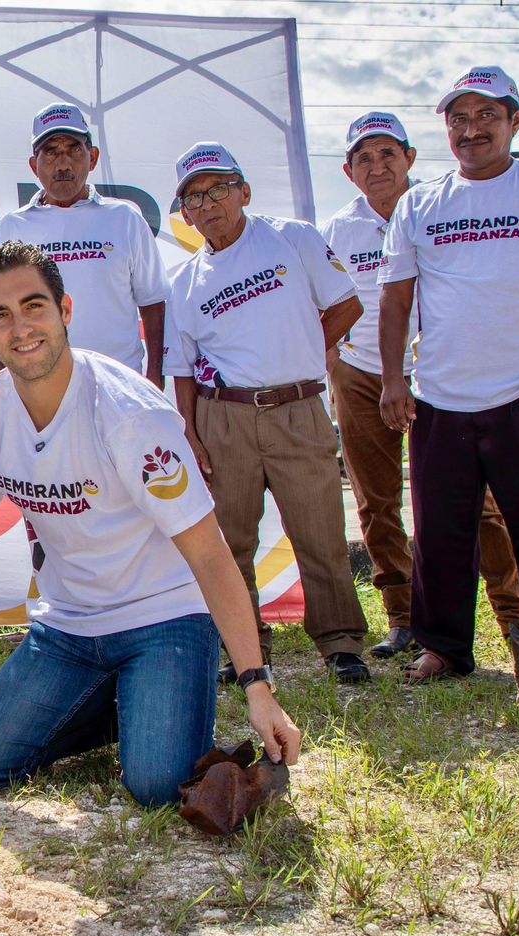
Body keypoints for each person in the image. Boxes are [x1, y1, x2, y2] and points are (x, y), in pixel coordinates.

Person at [0, 242, 302, 806]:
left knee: (158, 786)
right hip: (69, 627)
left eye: (34, 306)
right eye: (0, 316)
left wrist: (257, 688)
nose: (21, 328)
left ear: (65, 310)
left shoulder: (130, 414)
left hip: (164, 617)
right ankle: (130, 704)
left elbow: (211, 557)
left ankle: (152, 700)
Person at [320, 111, 519, 661]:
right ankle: (405, 620)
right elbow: (323, 301)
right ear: (348, 171)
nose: (376, 165)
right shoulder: (337, 228)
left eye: (388, 153)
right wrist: (338, 361)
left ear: (411, 158)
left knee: (480, 508)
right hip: (363, 375)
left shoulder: (441, 205)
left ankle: (512, 615)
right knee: (377, 502)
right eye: (363, 157)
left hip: (438, 375)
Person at [165, 142, 372, 685]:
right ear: (183, 214)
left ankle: (341, 643)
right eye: (194, 197)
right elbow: (182, 370)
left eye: (219, 190)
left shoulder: (292, 237)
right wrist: (192, 435)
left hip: (298, 407)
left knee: (320, 530)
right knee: (231, 541)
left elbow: (347, 303)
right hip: (225, 418)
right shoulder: (183, 282)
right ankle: (245, 649)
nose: (208, 205)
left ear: (245, 192)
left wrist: (306, 351)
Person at [377, 67, 519, 703]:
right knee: (440, 531)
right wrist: (393, 379)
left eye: (486, 117)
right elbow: (394, 299)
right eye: (458, 120)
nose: (472, 131)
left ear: (514, 122)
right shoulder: (420, 204)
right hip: (440, 398)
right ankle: (444, 646)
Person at [0, 103, 169, 383]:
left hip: (119, 385)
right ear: (33, 165)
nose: (63, 163)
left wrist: (155, 376)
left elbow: (153, 302)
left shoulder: (124, 219)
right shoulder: (13, 228)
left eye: (74, 149)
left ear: (93, 157)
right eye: (50, 151)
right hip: (42, 388)